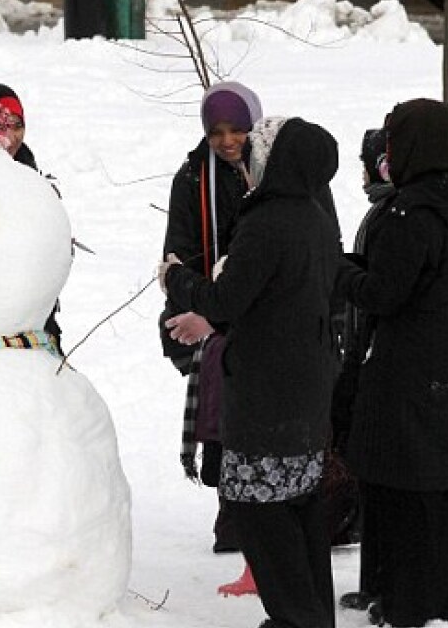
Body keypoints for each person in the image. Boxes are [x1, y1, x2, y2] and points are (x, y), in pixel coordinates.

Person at [159, 116, 342, 628]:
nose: (247, 156)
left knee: (261, 511)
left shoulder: (268, 220)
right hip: (305, 391)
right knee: (300, 505)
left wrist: (178, 279)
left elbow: (226, 299)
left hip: (267, 394)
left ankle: (293, 618)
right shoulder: (315, 215)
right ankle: (311, 616)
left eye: (258, 148)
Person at [336, 99, 448, 627]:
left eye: (394, 139)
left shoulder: (410, 212)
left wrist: (337, 272)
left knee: (400, 483)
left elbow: (384, 293)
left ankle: (405, 599)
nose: (387, 151)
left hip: (408, 368)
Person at [161, 81, 261, 560]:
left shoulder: (274, 172)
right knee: (225, 417)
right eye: (216, 131)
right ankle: (233, 516)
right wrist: (203, 310)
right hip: (205, 313)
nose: (227, 141)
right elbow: (175, 256)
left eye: (237, 129)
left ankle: (262, 517)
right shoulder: (192, 179)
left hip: (261, 315)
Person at [332, 127, 396, 613]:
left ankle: (386, 581)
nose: (361, 175)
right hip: (361, 353)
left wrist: (340, 270)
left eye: (366, 164)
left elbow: (378, 288)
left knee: (381, 477)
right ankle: (374, 577)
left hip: (377, 360)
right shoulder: (381, 212)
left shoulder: (395, 214)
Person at [0, 82, 66, 355]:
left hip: (34, 326)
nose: (11, 137)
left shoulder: (31, 176)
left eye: (17, 125)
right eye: (2, 124)